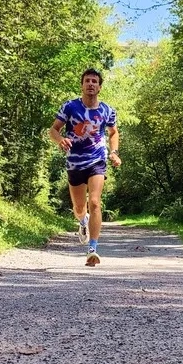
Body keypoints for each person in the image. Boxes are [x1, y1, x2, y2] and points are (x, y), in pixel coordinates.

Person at [49, 68, 121, 266]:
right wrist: (60, 140)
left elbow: (113, 133)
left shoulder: (107, 110)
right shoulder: (70, 107)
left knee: (95, 202)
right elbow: (53, 129)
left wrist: (114, 153)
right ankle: (82, 222)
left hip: (97, 160)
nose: (91, 84)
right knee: (80, 208)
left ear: (99, 87)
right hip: (74, 162)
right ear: (82, 85)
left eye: (94, 81)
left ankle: (93, 249)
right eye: (87, 81)